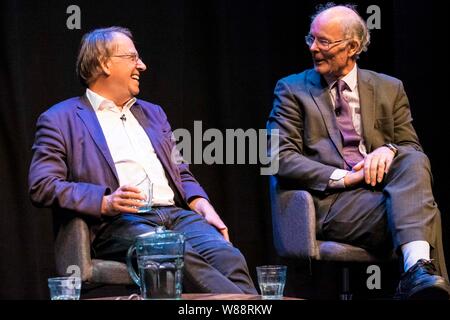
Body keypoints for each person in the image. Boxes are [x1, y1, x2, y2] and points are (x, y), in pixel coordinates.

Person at [29, 26, 256, 294]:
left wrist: (200, 201)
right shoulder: (60, 118)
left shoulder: (153, 113)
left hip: (176, 215)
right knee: (171, 253)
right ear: (104, 63)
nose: (143, 66)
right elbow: (42, 185)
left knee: (229, 256)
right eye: (133, 58)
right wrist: (104, 201)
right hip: (121, 222)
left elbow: (179, 170)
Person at [267, 4, 450, 299]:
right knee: (426, 216)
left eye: (324, 41)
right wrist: (345, 178)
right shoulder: (292, 90)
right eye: (311, 39)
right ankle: (418, 276)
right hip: (331, 203)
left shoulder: (390, 88)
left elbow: (411, 148)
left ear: (352, 47)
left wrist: (388, 150)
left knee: (414, 160)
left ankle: (417, 276)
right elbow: (278, 157)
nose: (314, 48)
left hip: (383, 192)